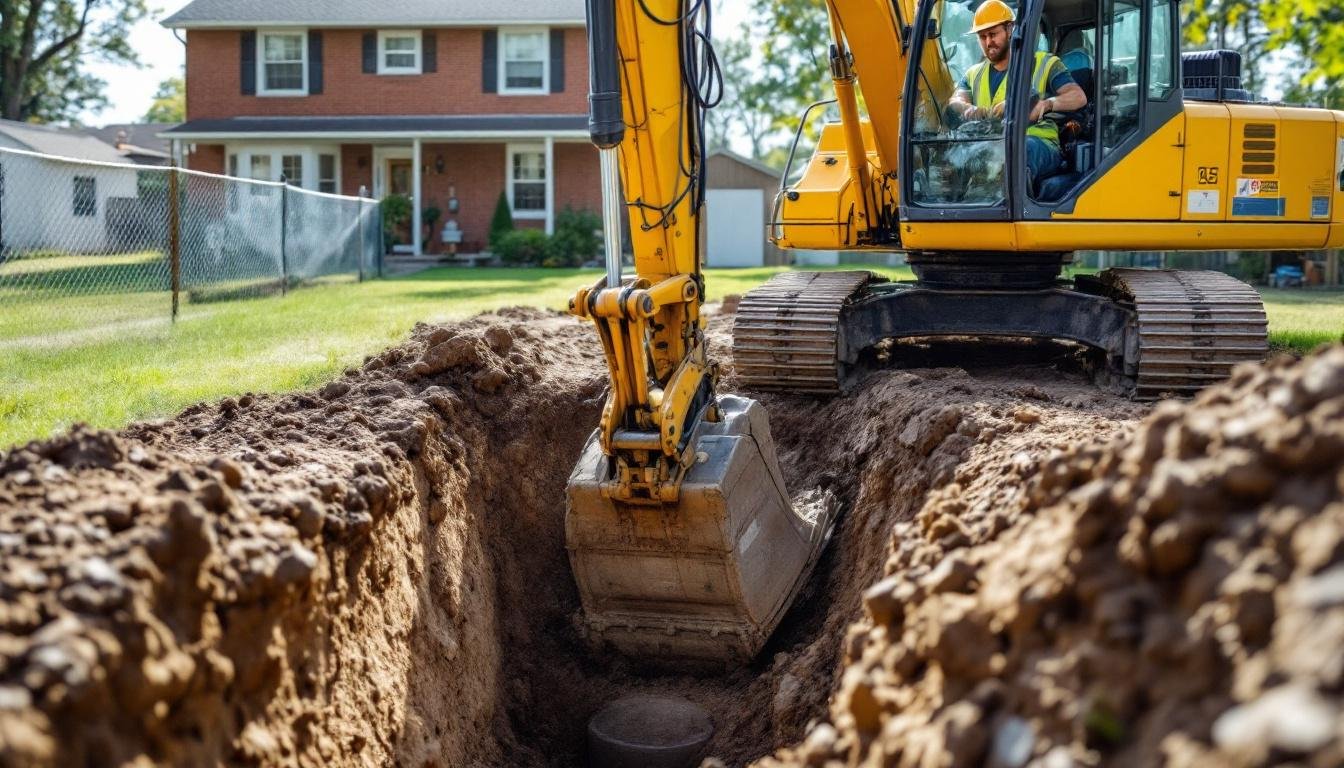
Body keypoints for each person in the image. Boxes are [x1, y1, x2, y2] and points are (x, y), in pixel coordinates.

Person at [948, 0, 1088, 190]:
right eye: (982, 37)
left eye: (993, 34)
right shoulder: (973, 73)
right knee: (953, 159)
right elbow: (955, 101)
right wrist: (971, 110)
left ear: (1010, 29)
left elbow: (1078, 96)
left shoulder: (1044, 62)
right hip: (990, 146)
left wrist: (1045, 104)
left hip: (1038, 144)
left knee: (1017, 152)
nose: (988, 42)